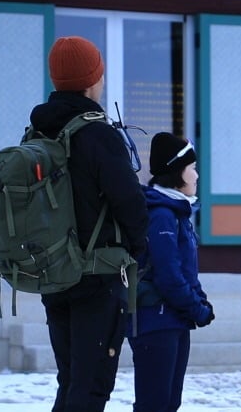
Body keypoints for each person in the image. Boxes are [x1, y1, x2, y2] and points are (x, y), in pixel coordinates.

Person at [30, 36, 149, 412]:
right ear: (93, 79)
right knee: (91, 386)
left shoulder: (37, 132)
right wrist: (139, 248)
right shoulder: (98, 134)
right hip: (97, 276)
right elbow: (130, 202)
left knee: (70, 380)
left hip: (54, 272)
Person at [128, 132, 214, 412]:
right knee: (154, 405)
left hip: (174, 319)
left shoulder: (177, 211)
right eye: (192, 168)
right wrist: (196, 308)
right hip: (155, 320)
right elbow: (168, 275)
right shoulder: (161, 214)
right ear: (176, 171)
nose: (197, 175)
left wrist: (200, 301)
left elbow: (187, 271)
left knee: (169, 403)